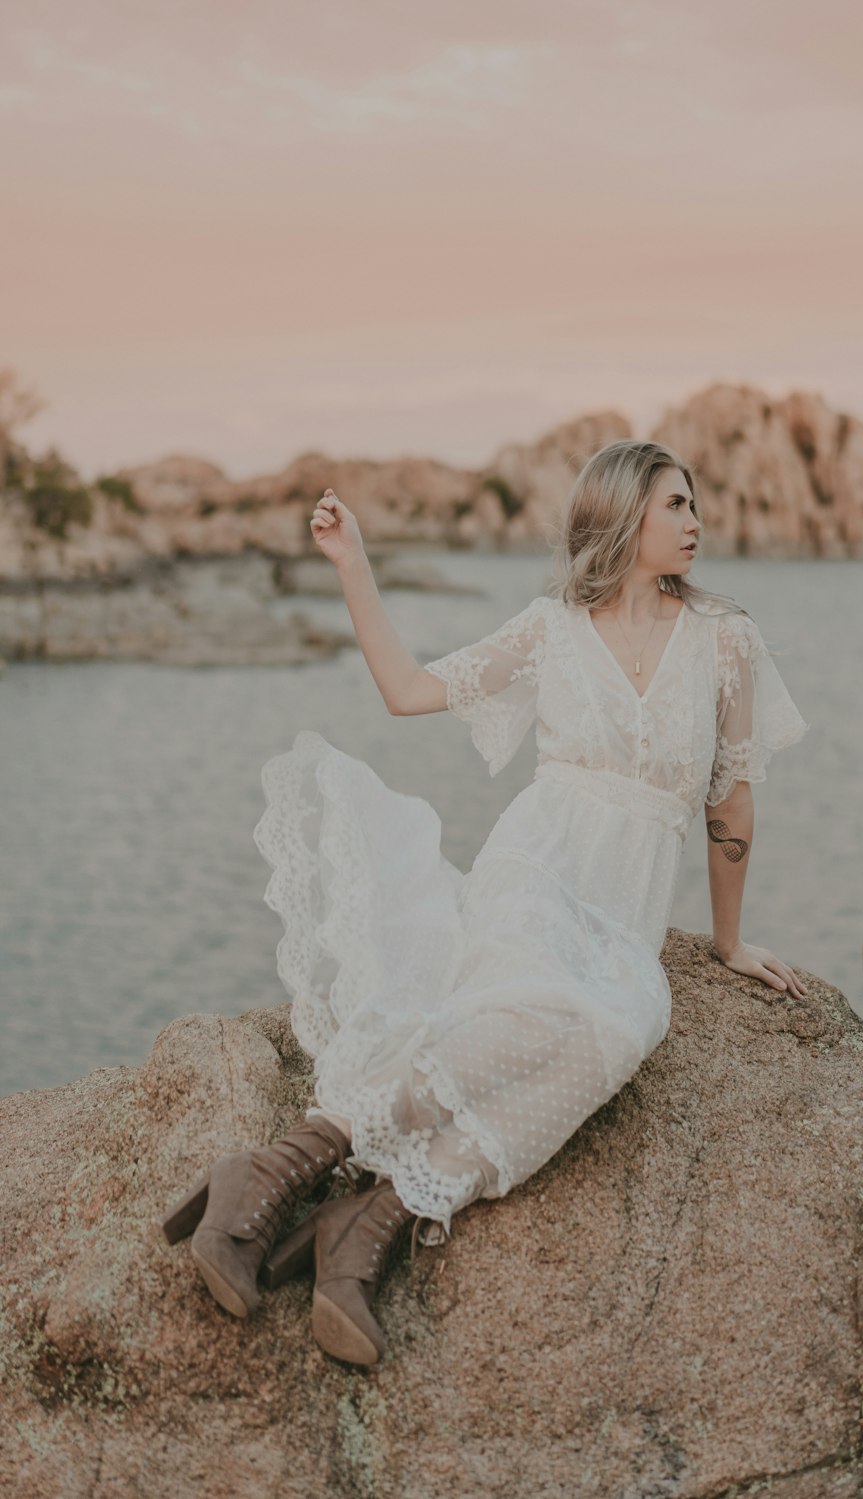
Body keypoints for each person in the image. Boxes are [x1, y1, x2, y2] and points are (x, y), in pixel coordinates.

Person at [161, 438, 809, 1367]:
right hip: (537, 865)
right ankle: (283, 1165)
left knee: (616, 1031)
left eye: (693, 503)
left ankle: (371, 1216)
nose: (696, 520)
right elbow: (409, 689)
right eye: (676, 504)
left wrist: (729, 941)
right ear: (624, 514)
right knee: (537, 1012)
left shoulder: (727, 640)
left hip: (622, 906)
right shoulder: (553, 625)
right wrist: (354, 568)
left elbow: (731, 801)